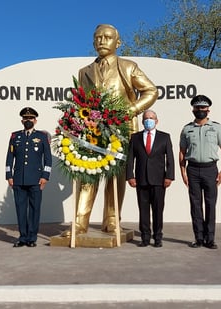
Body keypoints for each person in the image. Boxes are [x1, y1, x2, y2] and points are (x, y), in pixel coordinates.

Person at [62, 24, 158, 236]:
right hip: (93, 131)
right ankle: (79, 223)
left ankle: (112, 220)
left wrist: (130, 110)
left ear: (118, 42)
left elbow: (151, 91)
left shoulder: (128, 66)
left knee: (116, 177)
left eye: (107, 37)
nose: (101, 41)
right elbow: (81, 103)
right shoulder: (84, 71)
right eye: (97, 38)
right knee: (88, 173)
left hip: (121, 130)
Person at [179, 95, 221, 249]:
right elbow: (182, 152)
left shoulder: (216, 128)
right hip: (193, 170)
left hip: (210, 169)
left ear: (208, 109)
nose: (200, 110)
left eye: (203, 108)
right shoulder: (187, 129)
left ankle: (210, 239)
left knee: (210, 204)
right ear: (193, 109)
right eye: (197, 108)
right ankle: (198, 238)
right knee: (195, 205)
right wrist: (183, 172)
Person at [126, 110, 175, 247]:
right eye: (146, 118)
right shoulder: (135, 137)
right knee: (143, 210)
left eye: (151, 118)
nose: (149, 120)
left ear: (156, 121)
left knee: (158, 210)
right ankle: (145, 237)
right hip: (141, 180)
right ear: (142, 121)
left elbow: (169, 158)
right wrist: (130, 176)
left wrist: (169, 176)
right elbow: (130, 159)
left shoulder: (164, 137)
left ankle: (158, 237)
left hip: (159, 180)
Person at [6, 107, 52, 247]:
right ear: (22, 121)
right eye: (25, 118)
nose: (28, 120)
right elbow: (9, 157)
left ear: (35, 121)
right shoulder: (15, 136)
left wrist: (45, 176)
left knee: (34, 209)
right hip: (18, 179)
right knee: (20, 209)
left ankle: (32, 238)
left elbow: (48, 159)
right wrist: (9, 175)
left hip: (36, 179)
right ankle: (22, 237)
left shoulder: (42, 136)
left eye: (30, 118)